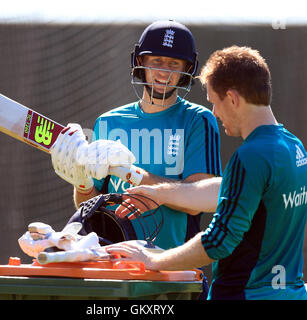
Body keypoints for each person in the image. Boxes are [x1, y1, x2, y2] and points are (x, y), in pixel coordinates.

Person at [107, 45, 307, 300]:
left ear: (233, 99)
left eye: (215, 103)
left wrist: (152, 259)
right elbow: (229, 191)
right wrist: (160, 194)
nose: (214, 113)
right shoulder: (293, 147)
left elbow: (217, 241)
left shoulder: (250, 157)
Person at [50, 20, 222, 299]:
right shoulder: (108, 122)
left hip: (172, 273)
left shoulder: (198, 120)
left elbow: (199, 200)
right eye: (156, 61)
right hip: (111, 271)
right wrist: (81, 184)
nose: (164, 72)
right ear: (140, 62)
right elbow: (92, 207)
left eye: (174, 64)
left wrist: (134, 174)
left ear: (187, 70)